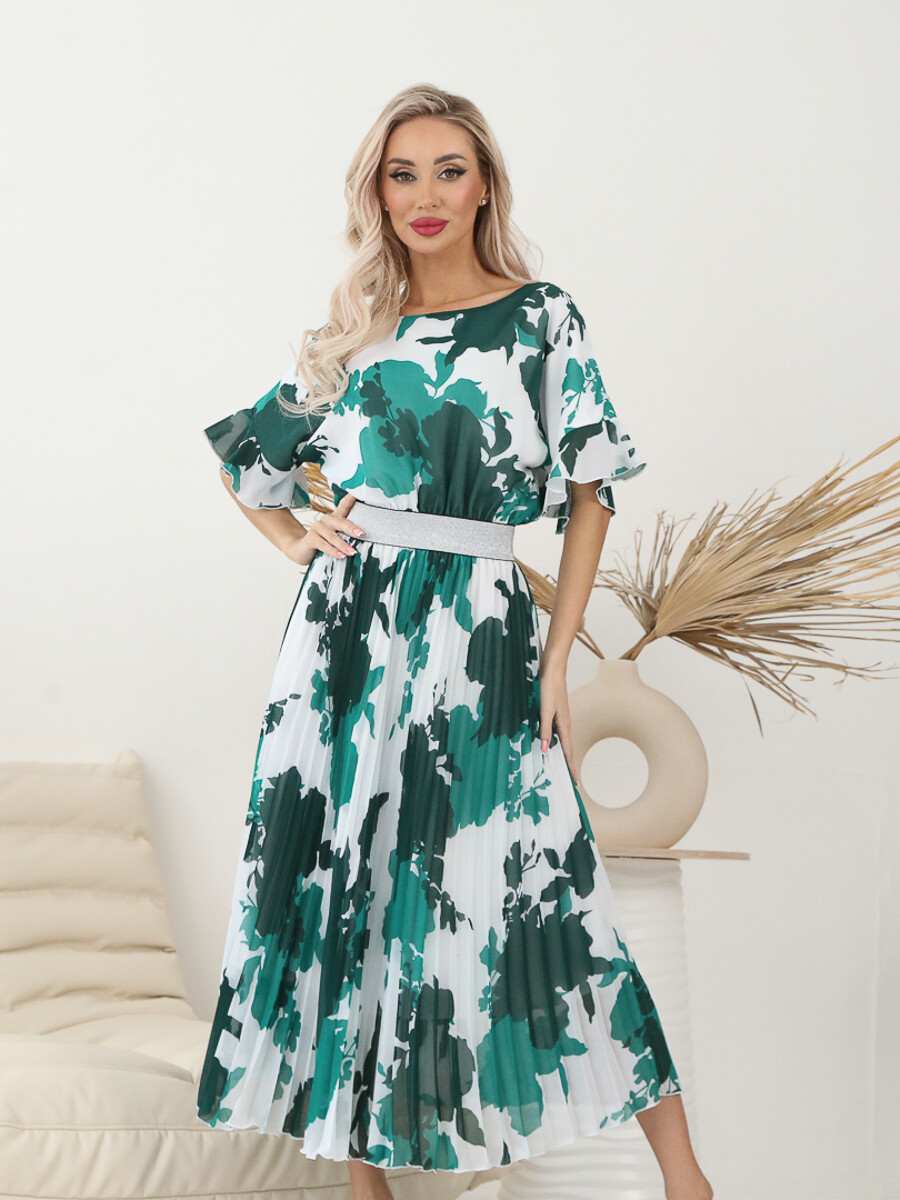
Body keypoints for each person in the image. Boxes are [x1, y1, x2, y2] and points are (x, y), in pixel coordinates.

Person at [195, 82, 714, 1200]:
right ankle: (364, 1186)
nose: (425, 195)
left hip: (479, 632)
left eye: (448, 170)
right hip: (345, 645)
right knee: (349, 885)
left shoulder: (540, 317)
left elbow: (592, 494)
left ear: (484, 187)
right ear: (376, 195)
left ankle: (687, 1181)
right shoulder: (355, 335)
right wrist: (298, 542)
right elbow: (250, 465)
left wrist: (558, 657)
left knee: (546, 890)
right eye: (403, 174)